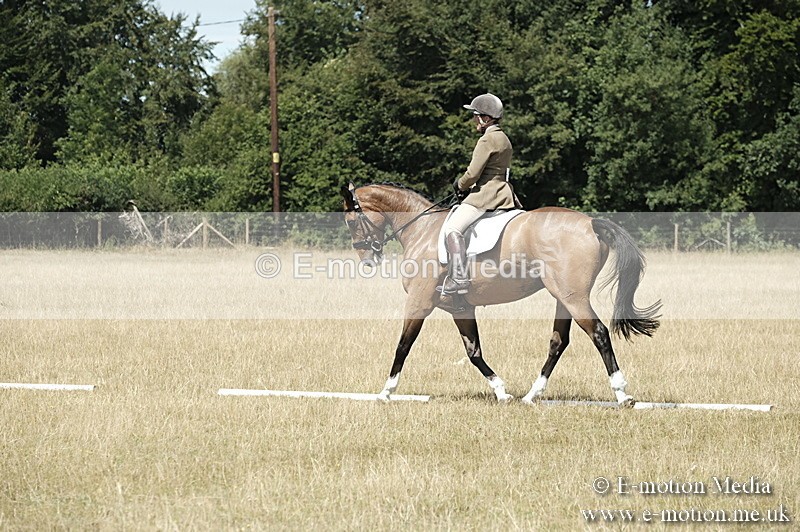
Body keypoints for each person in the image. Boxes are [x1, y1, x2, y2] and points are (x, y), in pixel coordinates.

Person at [438, 93, 518, 296]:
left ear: (487, 118)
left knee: (452, 229)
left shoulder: (487, 140)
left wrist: (460, 185)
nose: (474, 119)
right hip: (505, 193)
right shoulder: (504, 139)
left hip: (485, 195)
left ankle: (458, 277)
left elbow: (473, 174)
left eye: (476, 115)